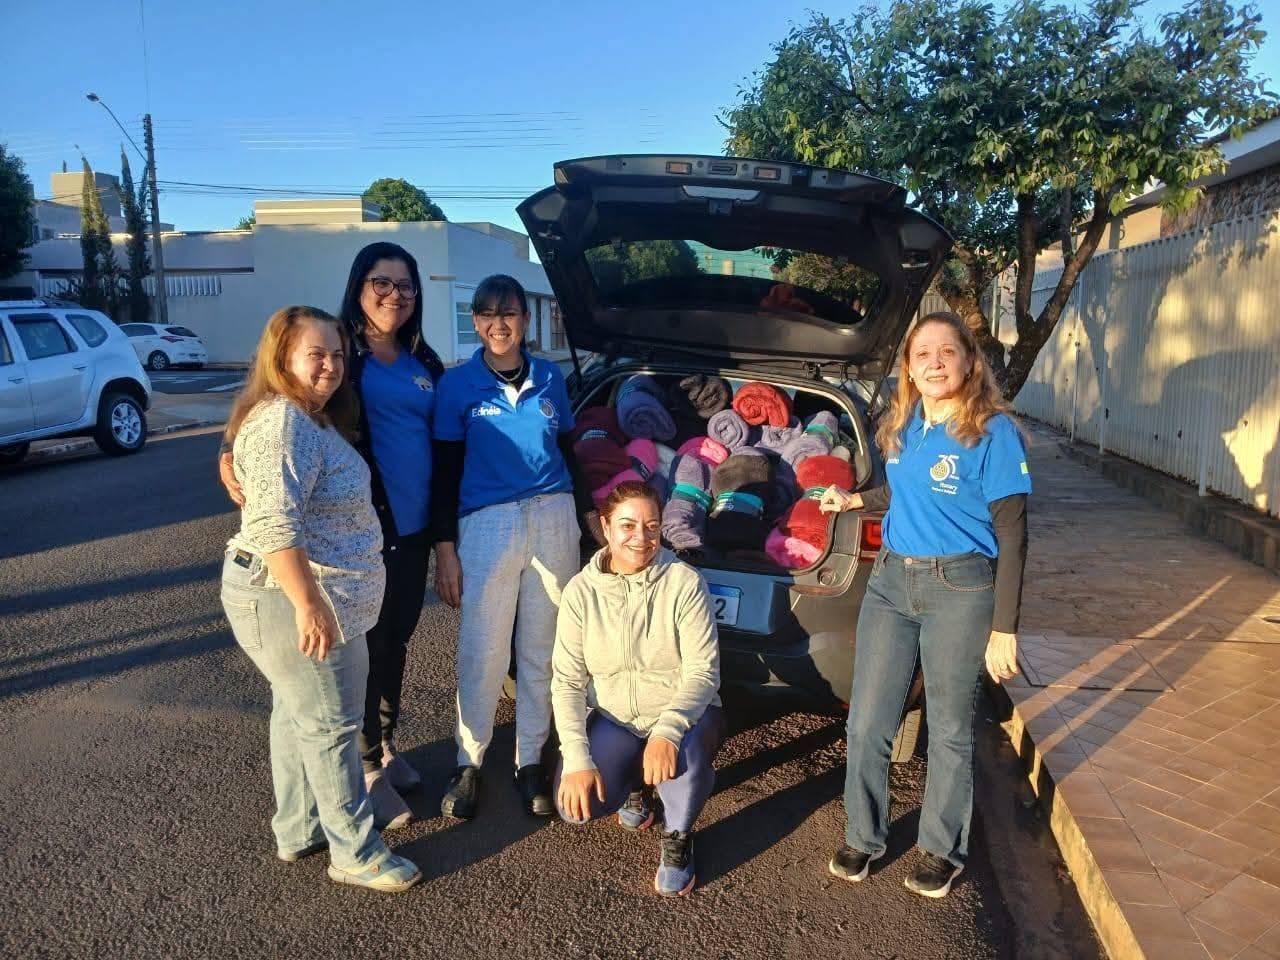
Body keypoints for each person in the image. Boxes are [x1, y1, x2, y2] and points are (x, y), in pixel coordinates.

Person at [221, 242, 444, 831]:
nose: (394, 295)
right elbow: (271, 404)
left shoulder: (424, 361)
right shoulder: (340, 352)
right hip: (362, 533)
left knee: (395, 642)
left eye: (405, 285)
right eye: (381, 283)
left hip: (415, 529)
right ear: (359, 287)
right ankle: (365, 770)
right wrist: (227, 448)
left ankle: (384, 745)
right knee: (363, 649)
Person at [819, 311, 1029, 899]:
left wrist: (1005, 627)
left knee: (950, 726)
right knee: (867, 720)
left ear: (969, 362)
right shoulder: (906, 423)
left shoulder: (994, 433)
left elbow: (1013, 533)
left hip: (960, 588)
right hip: (890, 583)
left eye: (946, 351)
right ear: (909, 369)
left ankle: (942, 849)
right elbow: (901, 490)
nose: (934, 363)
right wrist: (855, 500)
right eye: (922, 354)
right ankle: (864, 836)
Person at [430, 274, 599, 820]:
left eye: (509, 313)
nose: (498, 323)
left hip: (553, 515)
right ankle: (468, 762)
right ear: (475, 322)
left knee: (542, 649)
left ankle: (530, 760)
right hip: (488, 524)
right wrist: (445, 548)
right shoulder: (457, 386)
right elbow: (444, 472)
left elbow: (568, 450)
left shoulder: (549, 377)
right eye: (487, 314)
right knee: (482, 649)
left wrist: (589, 513)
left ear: (526, 320)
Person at [552, 481, 724, 897]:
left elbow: (703, 673)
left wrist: (667, 732)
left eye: (652, 526)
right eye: (628, 525)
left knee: (684, 765)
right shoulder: (580, 592)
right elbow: (567, 681)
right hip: (617, 717)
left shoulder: (683, 582)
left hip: (682, 714)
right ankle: (635, 786)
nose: (641, 538)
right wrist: (576, 758)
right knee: (576, 808)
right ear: (606, 526)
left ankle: (678, 833)